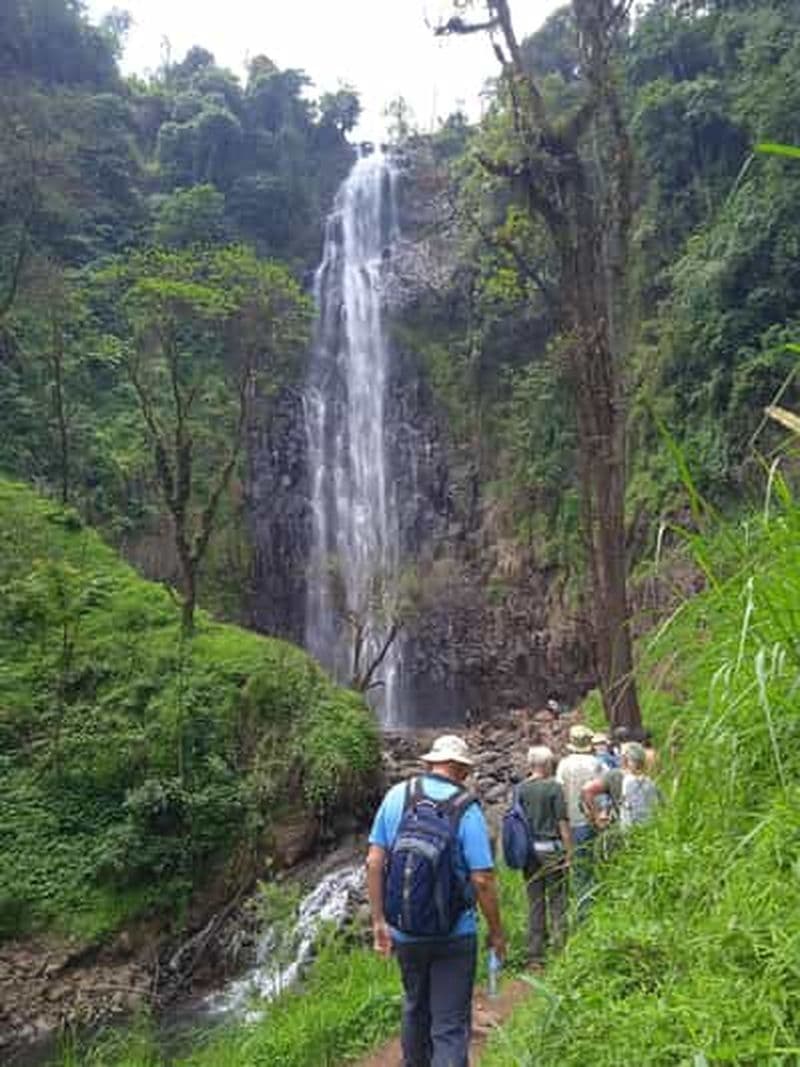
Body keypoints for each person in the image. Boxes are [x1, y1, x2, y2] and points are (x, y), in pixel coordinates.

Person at [366, 734, 506, 1067]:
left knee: (415, 1008)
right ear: (463, 770)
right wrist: (497, 931)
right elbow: (482, 880)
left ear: (431, 763)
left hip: (406, 931)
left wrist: (378, 921)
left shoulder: (397, 796)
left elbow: (373, 862)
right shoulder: (467, 809)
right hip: (455, 933)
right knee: (450, 1024)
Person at [518, 745, 572, 967]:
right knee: (558, 899)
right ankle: (560, 950)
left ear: (531, 764)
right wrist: (569, 852)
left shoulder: (521, 789)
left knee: (535, 901)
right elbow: (562, 822)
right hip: (552, 850)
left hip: (529, 851)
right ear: (548, 764)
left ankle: (535, 954)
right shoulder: (554, 788)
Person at [555, 724, 602, 918]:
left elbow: (559, 793)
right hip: (594, 819)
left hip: (571, 821)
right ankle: (595, 906)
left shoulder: (564, 765)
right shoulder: (596, 763)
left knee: (579, 866)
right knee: (595, 863)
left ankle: (583, 910)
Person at [582, 741, 662, 833]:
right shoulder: (651, 778)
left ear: (624, 759)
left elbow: (587, 789)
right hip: (652, 830)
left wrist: (595, 817)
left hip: (626, 829)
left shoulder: (615, 776)